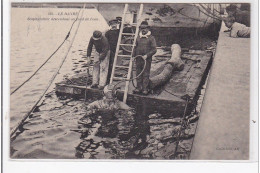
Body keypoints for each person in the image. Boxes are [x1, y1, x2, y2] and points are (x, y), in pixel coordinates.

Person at [133, 21, 157, 95]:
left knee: (146, 73)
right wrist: (133, 56)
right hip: (138, 58)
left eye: (144, 28)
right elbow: (135, 47)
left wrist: (147, 55)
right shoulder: (137, 37)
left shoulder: (151, 38)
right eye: (141, 28)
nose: (143, 30)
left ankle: (145, 88)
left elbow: (154, 50)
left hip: (146, 59)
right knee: (138, 73)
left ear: (148, 29)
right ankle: (138, 87)